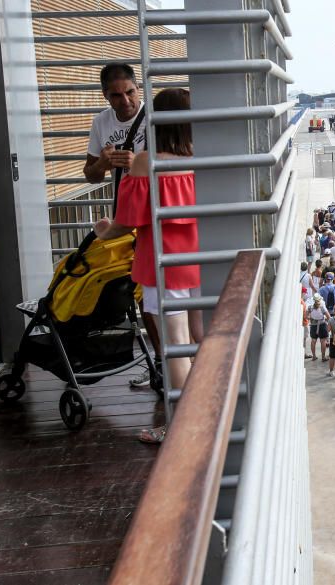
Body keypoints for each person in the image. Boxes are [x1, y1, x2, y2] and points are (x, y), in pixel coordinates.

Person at [93, 88, 198, 444]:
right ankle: (211, 412)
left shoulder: (145, 162)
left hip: (164, 263)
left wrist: (106, 231)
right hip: (201, 261)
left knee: (175, 345)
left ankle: (182, 428)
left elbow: (128, 220)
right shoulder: (203, 158)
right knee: (200, 340)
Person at [307, 296, 331, 362]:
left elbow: (307, 316)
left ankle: (314, 356)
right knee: (323, 341)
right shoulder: (322, 307)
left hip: (313, 325)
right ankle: (323, 357)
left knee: (313, 341)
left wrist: (312, 318)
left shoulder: (310, 307)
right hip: (322, 325)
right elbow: (329, 317)